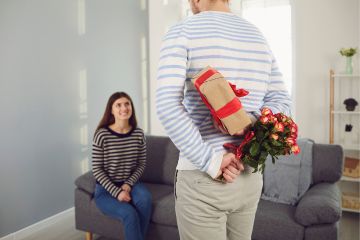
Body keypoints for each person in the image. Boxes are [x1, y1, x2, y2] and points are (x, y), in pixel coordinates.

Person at [156, 0, 291, 239]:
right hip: (248, 177)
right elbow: (283, 103)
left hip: (204, 177)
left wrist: (210, 161)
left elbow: (167, 106)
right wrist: (249, 120)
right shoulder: (257, 36)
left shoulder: (182, 31)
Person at [92, 92, 151, 240]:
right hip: (105, 190)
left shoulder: (138, 133)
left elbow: (141, 164)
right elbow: (97, 170)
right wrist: (117, 192)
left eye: (127, 104)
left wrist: (129, 184)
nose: (124, 108)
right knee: (129, 213)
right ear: (111, 110)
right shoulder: (102, 135)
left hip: (130, 184)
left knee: (145, 200)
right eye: (118, 105)